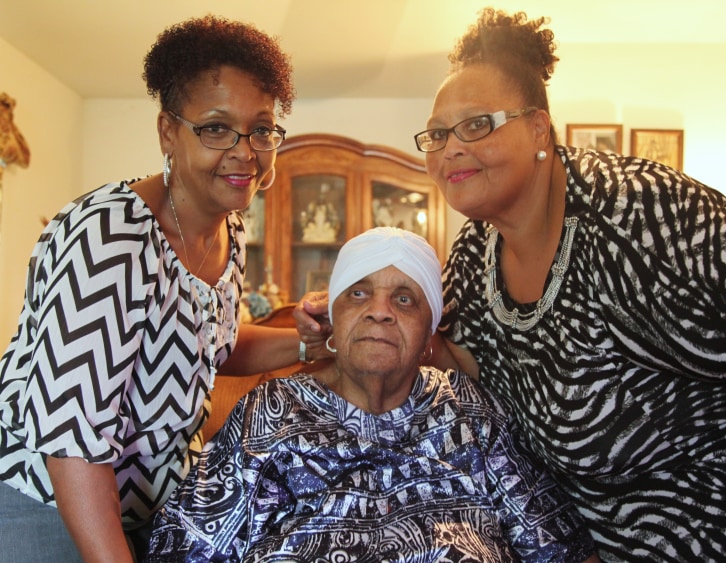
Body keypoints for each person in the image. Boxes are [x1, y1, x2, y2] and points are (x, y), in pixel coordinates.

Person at [295, 8, 726, 562]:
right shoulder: (474, 253)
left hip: (719, 523)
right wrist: (347, 326)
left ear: (539, 128)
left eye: (476, 125)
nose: (450, 149)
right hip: (579, 539)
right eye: (438, 134)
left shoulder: (637, 212)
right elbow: (453, 362)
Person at [0, 15, 300, 562]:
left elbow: (214, 344)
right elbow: (72, 443)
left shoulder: (226, 229)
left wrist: (311, 340)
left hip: (145, 509)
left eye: (261, 128)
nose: (245, 151)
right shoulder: (110, 236)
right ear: (168, 132)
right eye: (215, 128)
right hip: (44, 503)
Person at [146, 227, 599, 562]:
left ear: (428, 338)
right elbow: (185, 548)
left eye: (405, 299)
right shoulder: (270, 413)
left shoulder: (471, 413)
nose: (379, 311)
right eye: (358, 294)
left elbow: (559, 548)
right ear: (333, 327)